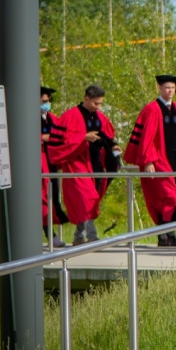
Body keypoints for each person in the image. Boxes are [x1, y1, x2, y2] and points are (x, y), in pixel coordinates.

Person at [124, 74, 176, 246]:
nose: (170, 91)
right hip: (159, 159)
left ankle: (167, 234)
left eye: (173, 88)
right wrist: (148, 161)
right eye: (167, 88)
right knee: (169, 195)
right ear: (159, 88)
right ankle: (166, 233)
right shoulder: (152, 109)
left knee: (175, 196)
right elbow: (146, 138)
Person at [48, 84, 119, 245]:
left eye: (100, 103)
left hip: (96, 163)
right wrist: (84, 138)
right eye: (96, 103)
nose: (98, 107)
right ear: (86, 98)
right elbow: (59, 143)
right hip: (77, 164)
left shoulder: (99, 117)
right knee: (88, 199)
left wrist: (113, 145)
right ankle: (92, 237)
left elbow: (107, 135)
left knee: (89, 202)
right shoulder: (70, 117)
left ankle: (79, 237)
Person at [40, 86, 68, 246]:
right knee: (42, 202)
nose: (46, 104)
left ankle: (51, 235)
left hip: (52, 164)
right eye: (43, 101)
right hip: (36, 166)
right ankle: (51, 235)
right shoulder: (27, 119)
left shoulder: (53, 119)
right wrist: (42, 137)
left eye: (48, 101)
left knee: (51, 199)